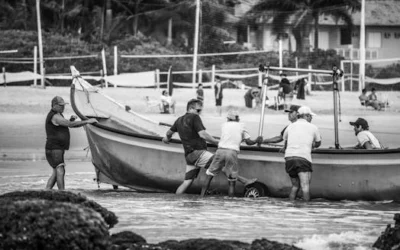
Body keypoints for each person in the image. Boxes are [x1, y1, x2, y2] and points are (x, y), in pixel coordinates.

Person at [162, 99, 219, 194]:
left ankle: (177, 201)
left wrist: (166, 138)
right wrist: (218, 143)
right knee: (220, 161)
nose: (200, 113)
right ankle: (244, 181)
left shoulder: (179, 120)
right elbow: (203, 134)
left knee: (186, 182)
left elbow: (169, 133)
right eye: (198, 110)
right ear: (191, 108)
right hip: (198, 153)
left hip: (189, 156)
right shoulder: (194, 117)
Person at [201, 110, 260, 197]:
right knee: (232, 181)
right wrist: (256, 140)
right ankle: (230, 202)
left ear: (228, 119)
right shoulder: (242, 126)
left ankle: (201, 197)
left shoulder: (224, 125)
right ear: (238, 118)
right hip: (231, 152)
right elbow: (249, 142)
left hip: (220, 151)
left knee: (209, 176)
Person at [45, 96, 97, 190]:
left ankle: (46, 191)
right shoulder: (55, 116)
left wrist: (71, 120)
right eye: (61, 106)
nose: (63, 107)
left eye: (63, 105)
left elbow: (66, 124)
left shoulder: (58, 114)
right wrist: (87, 121)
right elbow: (70, 125)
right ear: (54, 105)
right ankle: (62, 193)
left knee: (56, 172)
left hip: (55, 148)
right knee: (60, 170)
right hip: (54, 148)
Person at [282, 106, 322, 202]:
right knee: (305, 186)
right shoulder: (313, 127)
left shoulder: (290, 126)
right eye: (310, 116)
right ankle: (306, 209)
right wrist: (312, 145)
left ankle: (290, 206)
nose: (311, 118)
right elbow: (318, 143)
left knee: (295, 186)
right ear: (306, 116)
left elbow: (286, 142)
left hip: (289, 158)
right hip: (303, 158)